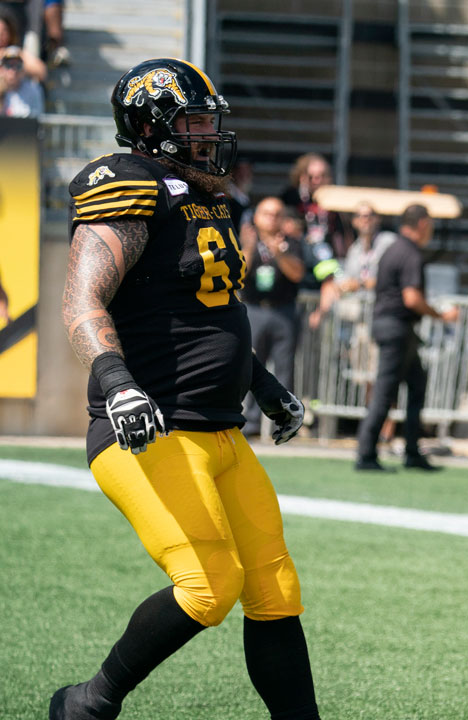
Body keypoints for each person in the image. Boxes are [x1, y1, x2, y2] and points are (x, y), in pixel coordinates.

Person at [52, 57, 318, 720]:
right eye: (195, 122)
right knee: (209, 585)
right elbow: (81, 301)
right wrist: (115, 382)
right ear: (151, 129)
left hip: (221, 430)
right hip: (151, 429)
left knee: (275, 588)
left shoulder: (208, 198)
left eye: (210, 120)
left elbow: (210, 311)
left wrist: (262, 384)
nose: (210, 135)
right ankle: (89, 703)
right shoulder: (130, 187)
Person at [354, 203, 457, 472]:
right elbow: (412, 299)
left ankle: (412, 451)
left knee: (416, 385)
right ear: (422, 224)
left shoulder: (393, 248)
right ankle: (366, 454)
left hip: (395, 328)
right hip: (397, 328)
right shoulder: (410, 252)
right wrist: (440, 315)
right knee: (385, 392)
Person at [239, 196, 309, 437]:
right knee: (248, 365)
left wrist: (279, 253)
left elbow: (298, 273)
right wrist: (248, 247)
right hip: (254, 308)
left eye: (277, 214)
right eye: (266, 213)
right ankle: (251, 422)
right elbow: (238, 273)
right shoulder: (247, 240)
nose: (271, 219)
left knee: (284, 368)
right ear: (256, 217)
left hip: (283, 310)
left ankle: (286, 419)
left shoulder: (292, 242)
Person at [281, 152, 350, 258]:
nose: (317, 181)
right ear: (301, 177)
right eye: (311, 177)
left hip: (328, 257)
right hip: (299, 256)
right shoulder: (290, 198)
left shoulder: (336, 202)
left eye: (322, 176)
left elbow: (343, 236)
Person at [1, 43, 41, 117]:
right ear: (2, 68)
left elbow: (36, 121)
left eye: (17, 65)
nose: (13, 70)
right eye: (8, 65)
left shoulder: (33, 90)